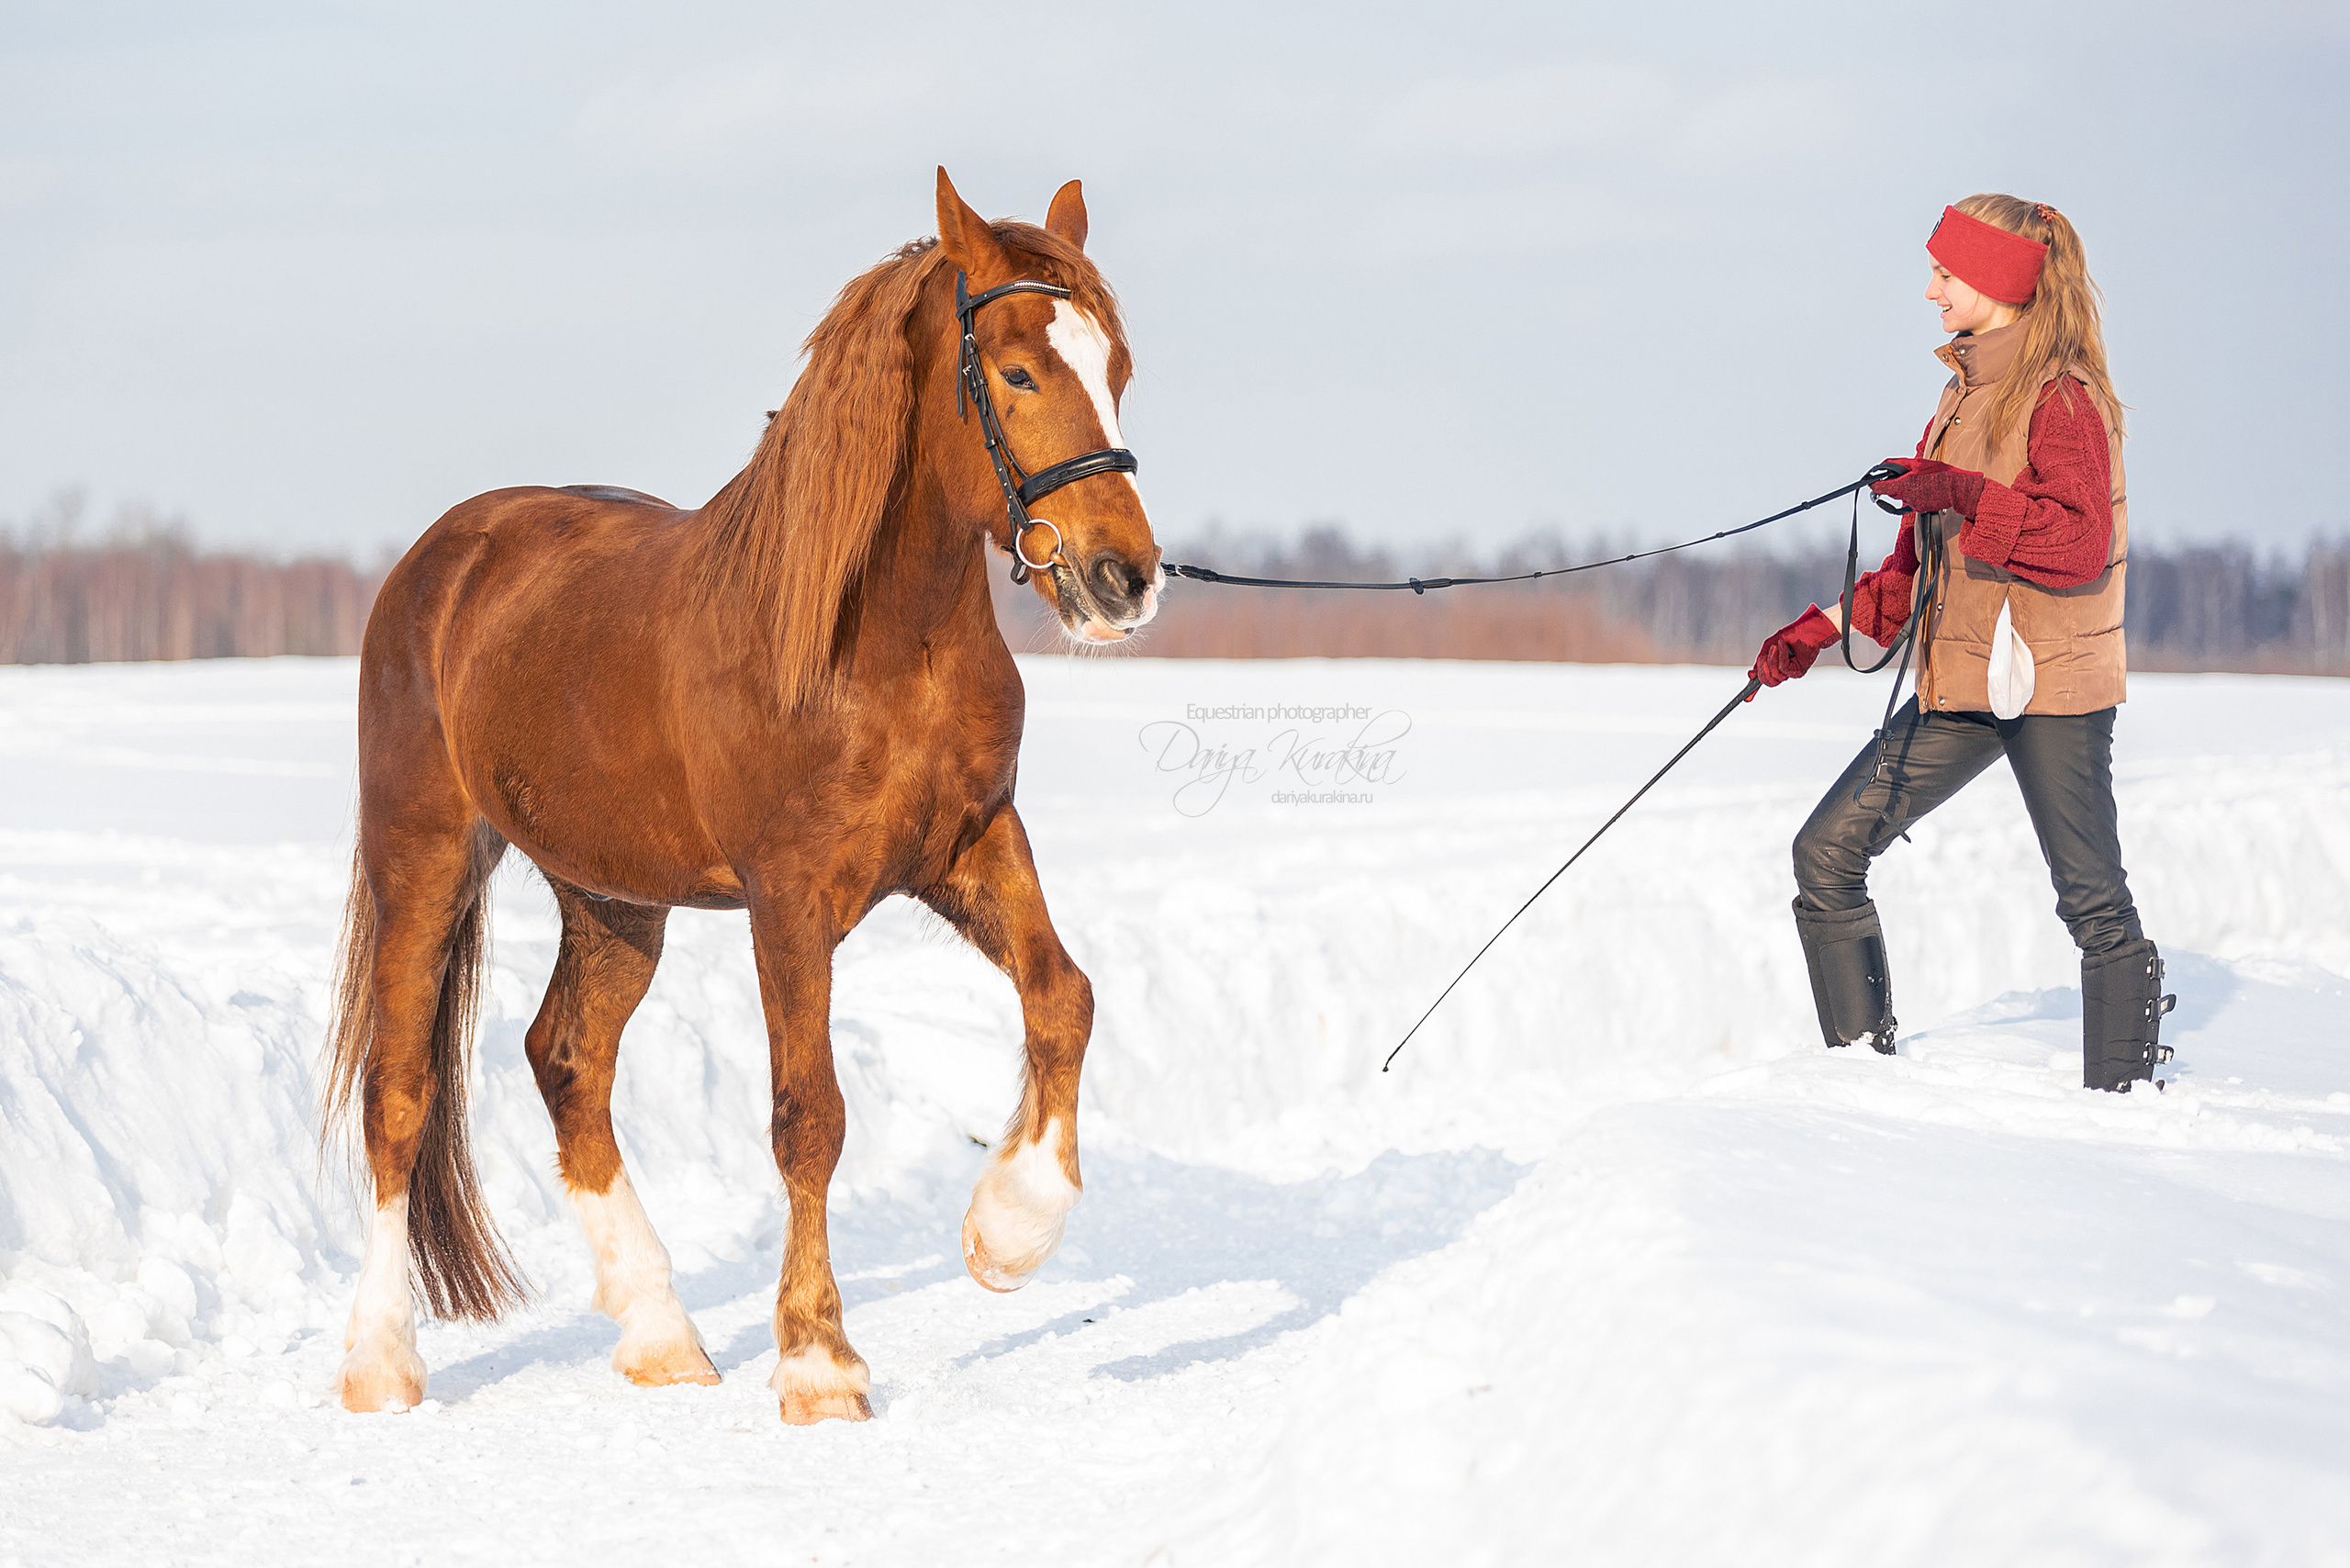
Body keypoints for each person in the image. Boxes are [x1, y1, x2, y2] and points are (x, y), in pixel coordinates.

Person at [1748, 195, 2174, 1092]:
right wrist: (1810, 634)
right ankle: (1863, 1082)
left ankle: (2126, 1096)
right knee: (1824, 854)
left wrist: (1963, 492)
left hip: (2049, 684)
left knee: (2091, 902)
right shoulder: (1961, 397)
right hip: (1961, 684)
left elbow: (2076, 540)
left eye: (1945, 273)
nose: (1931, 291)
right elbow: (1907, 573)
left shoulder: (2062, 398)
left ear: (1995, 280)